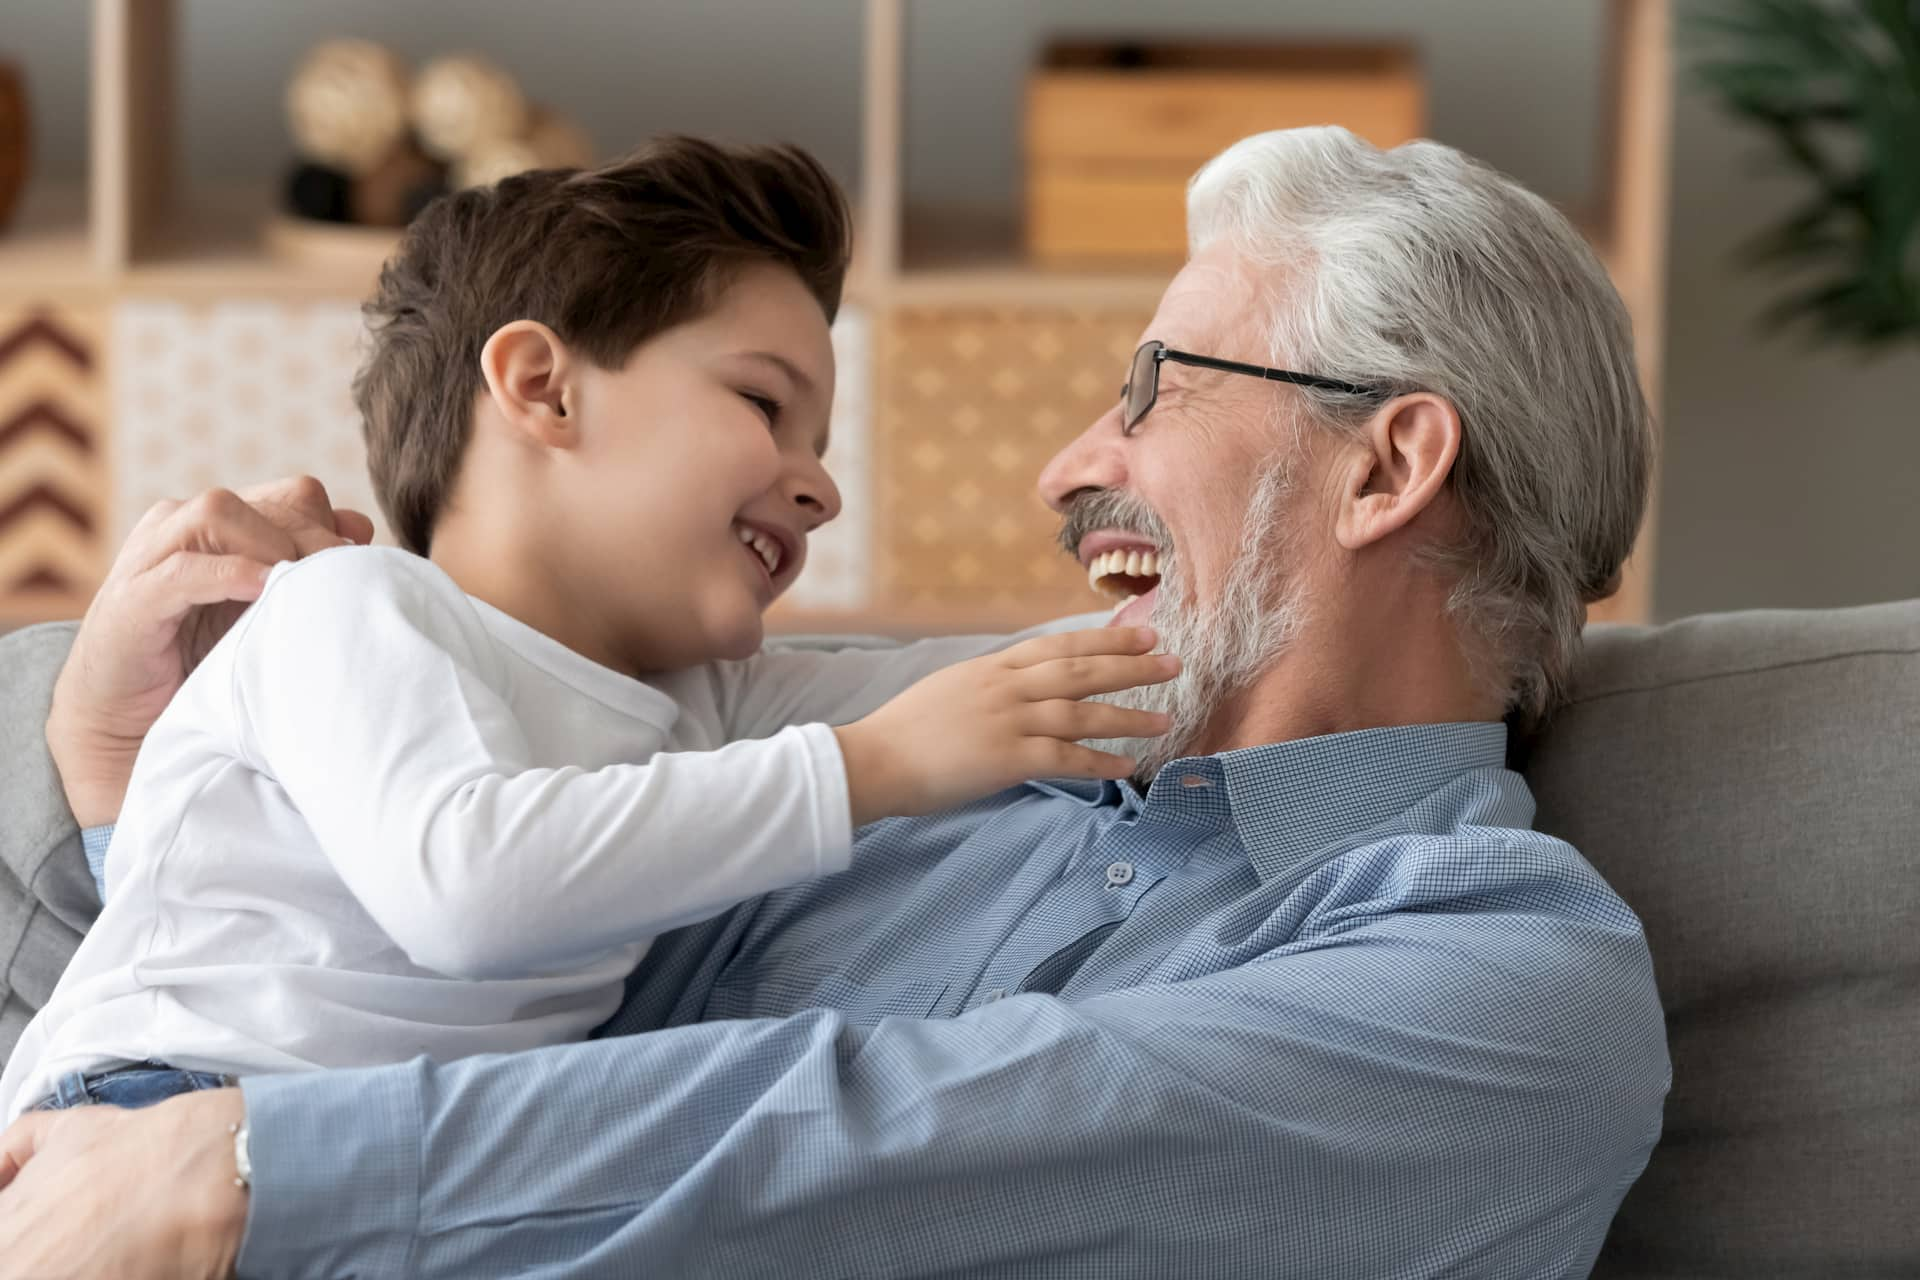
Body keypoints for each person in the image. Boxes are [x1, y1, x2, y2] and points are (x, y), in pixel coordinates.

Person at [0, 126, 1669, 1278]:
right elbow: (417, 943)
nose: (1067, 469)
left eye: (1150, 390)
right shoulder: (950, 762)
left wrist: (245, 1179)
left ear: (1388, 463)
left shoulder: (1511, 986)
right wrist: (115, 790)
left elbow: (888, 1147)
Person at [0, 135, 1177, 1124]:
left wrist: (1213, 598)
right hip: (155, 1111)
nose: (821, 488)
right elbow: (470, 889)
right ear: (543, 387)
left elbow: (1014, 687)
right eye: (766, 404)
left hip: (379, 1161)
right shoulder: (349, 608)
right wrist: (877, 767)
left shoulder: (698, 702)